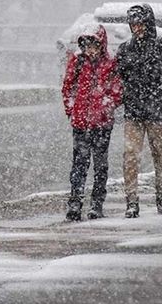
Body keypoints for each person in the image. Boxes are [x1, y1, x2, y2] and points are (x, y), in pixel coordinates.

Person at [116, 4, 162, 217]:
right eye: (133, 24)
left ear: (148, 23)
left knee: (160, 156)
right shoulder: (125, 49)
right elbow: (119, 80)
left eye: (140, 23)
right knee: (130, 156)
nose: (136, 28)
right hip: (134, 113)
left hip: (156, 112)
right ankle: (132, 201)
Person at [62, 24, 122, 221]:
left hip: (102, 124)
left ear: (101, 45)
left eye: (94, 45)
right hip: (80, 123)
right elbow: (68, 88)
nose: (90, 50)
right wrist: (72, 110)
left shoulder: (111, 64)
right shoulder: (78, 62)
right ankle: (75, 202)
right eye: (87, 45)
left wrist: (106, 107)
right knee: (79, 165)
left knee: (100, 165)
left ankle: (97, 203)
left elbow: (117, 90)